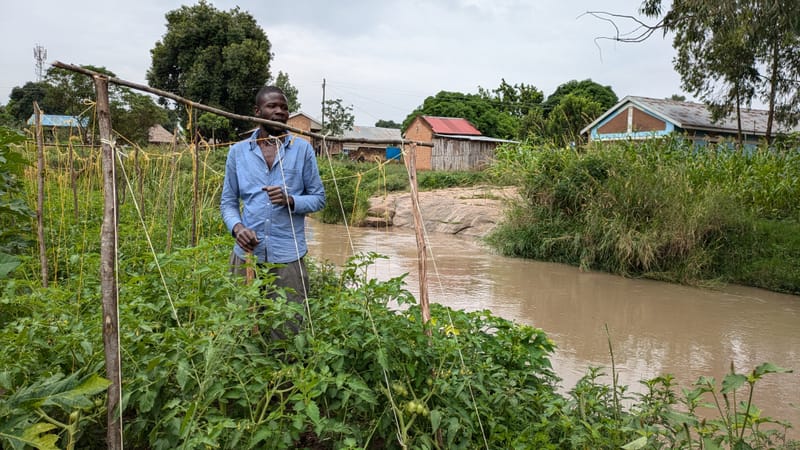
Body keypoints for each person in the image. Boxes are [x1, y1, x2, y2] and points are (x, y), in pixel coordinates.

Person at [221, 85, 326, 335]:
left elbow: (319, 199)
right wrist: (237, 228)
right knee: (243, 325)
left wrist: (292, 201)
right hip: (247, 254)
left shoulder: (302, 150)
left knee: (287, 327)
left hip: (288, 256)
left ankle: (285, 372)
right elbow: (227, 202)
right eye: (272, 106)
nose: (280, 112)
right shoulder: (238, 153)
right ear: (257, 112)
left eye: (284, 107)